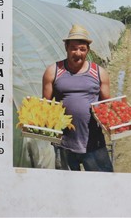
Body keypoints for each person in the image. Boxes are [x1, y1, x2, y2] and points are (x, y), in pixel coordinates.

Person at [42, 24, 113, 172]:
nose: (78, 53)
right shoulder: (53, 71)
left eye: (82, 49)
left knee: (101, 181)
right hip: (64, 143)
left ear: (88, 50)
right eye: (73, 48)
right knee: (67, 183)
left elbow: (107, 106)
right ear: (66, 48)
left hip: (94, 142)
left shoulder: (99, 72)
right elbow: (45, 106)